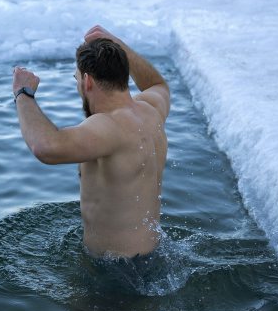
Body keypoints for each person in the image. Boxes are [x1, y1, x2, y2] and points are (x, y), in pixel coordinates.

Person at [12, 25, 170, 264]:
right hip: (155, 256)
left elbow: (45, 147)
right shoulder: (151, 109)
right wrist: (116, 44)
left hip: (117, 272)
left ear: (87, 81)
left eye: (76, 79)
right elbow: (157, 84)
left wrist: (23, 94)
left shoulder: (108, 127)